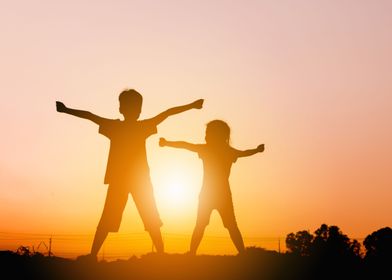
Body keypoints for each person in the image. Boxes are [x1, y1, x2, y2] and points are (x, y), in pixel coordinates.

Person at [56, 89, 203, 260]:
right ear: (136, 109)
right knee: (143, 218)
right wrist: (191, 106)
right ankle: (157, 254)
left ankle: (96, 254)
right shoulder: (137, 126)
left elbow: (90, 115)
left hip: (132, 180)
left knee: (143, 218)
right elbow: (167, 113)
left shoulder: (116, 126)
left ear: (122, 108)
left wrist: (66, 110)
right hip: (131, 180)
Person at [159, 120, 264, 255]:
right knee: (223, 226)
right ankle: (239, 253)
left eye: (208, 133)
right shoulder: (225, 151)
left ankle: (194, 253)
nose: (206, 136)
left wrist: (167, 143)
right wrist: (256, 150)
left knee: (210, 225)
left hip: (213, 194)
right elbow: (245, 153)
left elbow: (186, 145)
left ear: (219, 135)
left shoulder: (214, 150)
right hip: (216, 194)